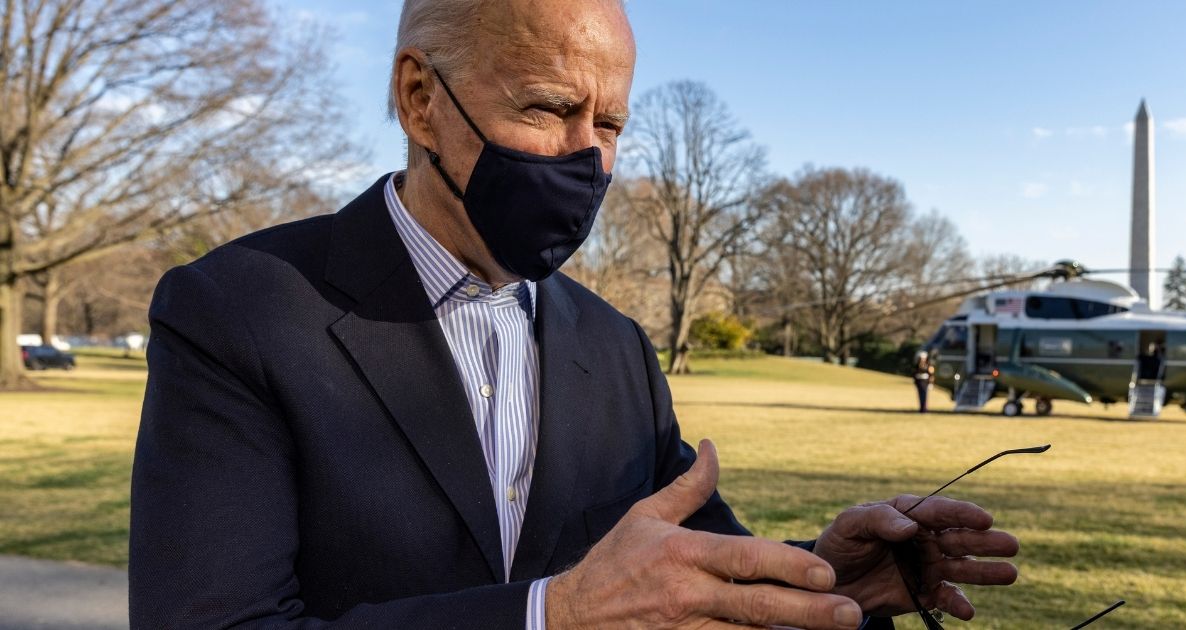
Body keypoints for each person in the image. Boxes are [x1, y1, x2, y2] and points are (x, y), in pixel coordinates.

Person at [128, 1, 1019, 628]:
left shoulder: (616, 349)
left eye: (613, 125)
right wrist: (550, 619)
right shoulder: (238, 310)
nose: (586, 158)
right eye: (551, 107)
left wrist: (827, 579)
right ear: (420, 99)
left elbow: (677, 579)